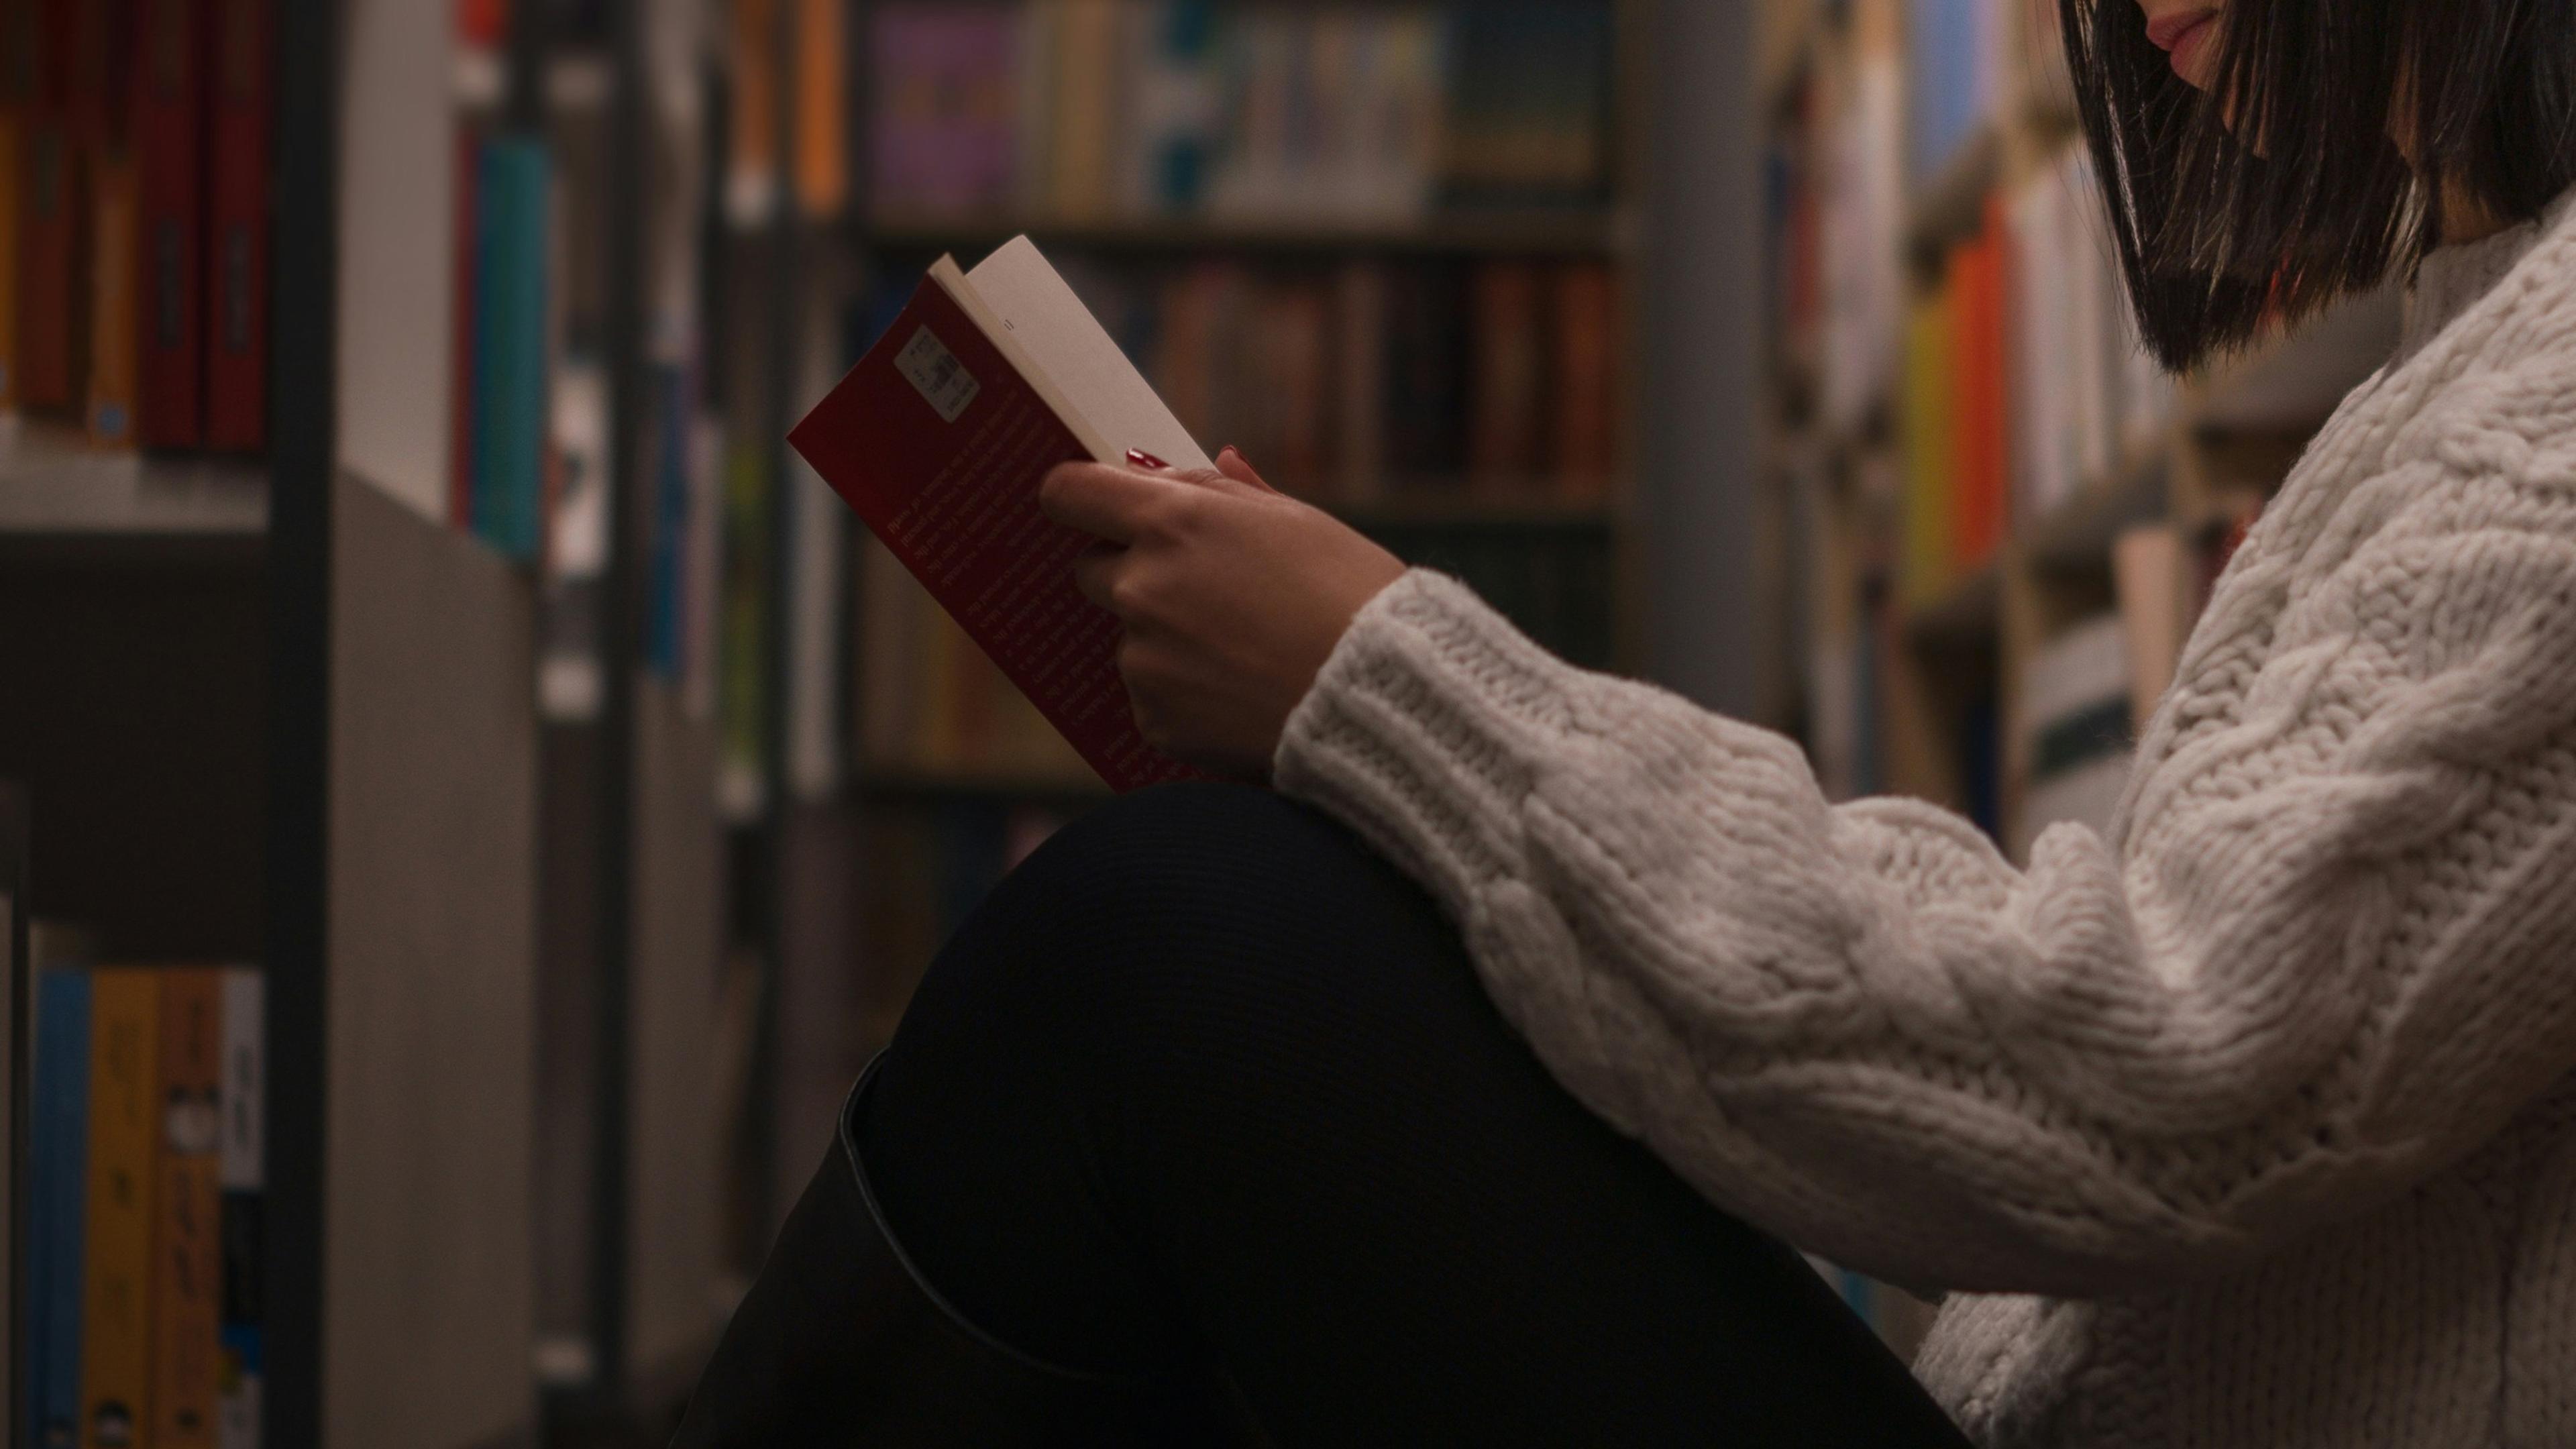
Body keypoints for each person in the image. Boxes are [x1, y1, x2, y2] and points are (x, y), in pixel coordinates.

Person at [676, 0, 2576, 1442]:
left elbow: (2168, 1073)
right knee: (1221, 958)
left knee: (1174, 940)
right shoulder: (2468, 353)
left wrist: (1384, 679)